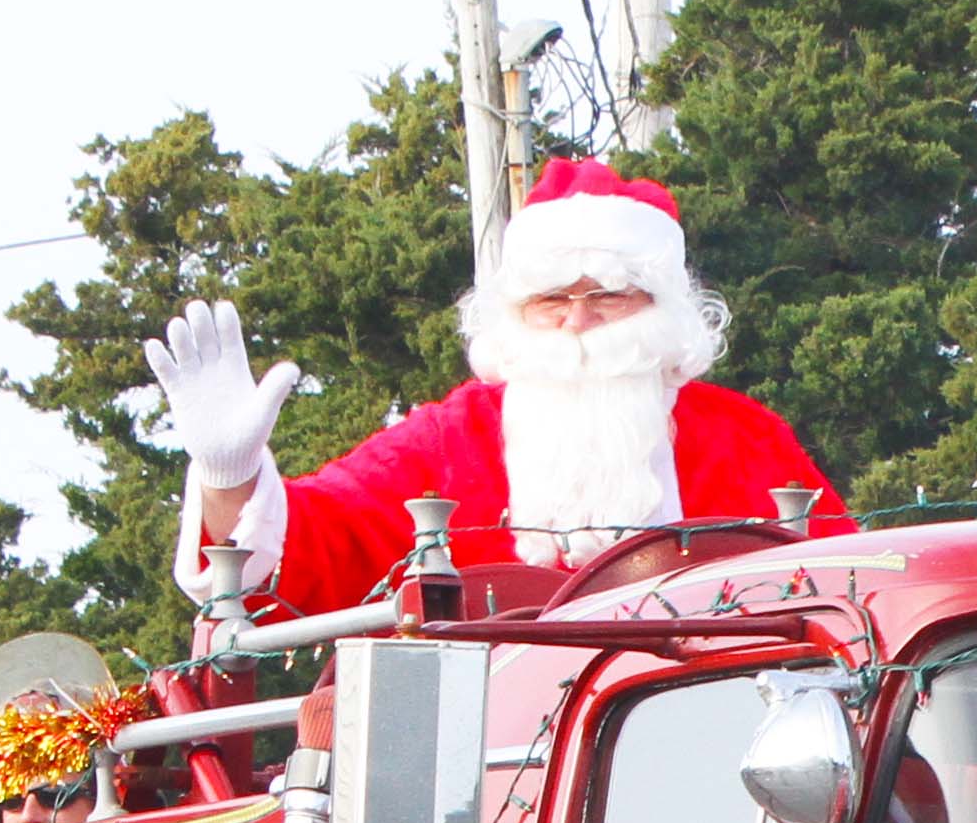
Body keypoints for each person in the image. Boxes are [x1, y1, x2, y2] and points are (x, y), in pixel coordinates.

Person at [147, 158, 843, 621]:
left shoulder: (744, 438)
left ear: (662, 309)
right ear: (515, 313)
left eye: (609, 296)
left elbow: (856, 582)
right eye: (551, 300)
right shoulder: (451, 439)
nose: (578, 321)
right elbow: (318, 541)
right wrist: (227, 476)